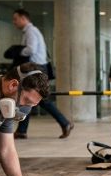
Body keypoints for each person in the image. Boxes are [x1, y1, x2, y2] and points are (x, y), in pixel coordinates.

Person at [10, 8, 73, 139]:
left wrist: (18, 52)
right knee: (28, 97)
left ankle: (65, 123)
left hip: (36, 68)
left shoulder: (31, 31)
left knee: (40, 99)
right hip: (37, 67)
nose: (14, 22)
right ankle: (22, 130)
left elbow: (31, 49)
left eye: (16, 19)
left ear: (23, 18)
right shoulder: (31, 31)